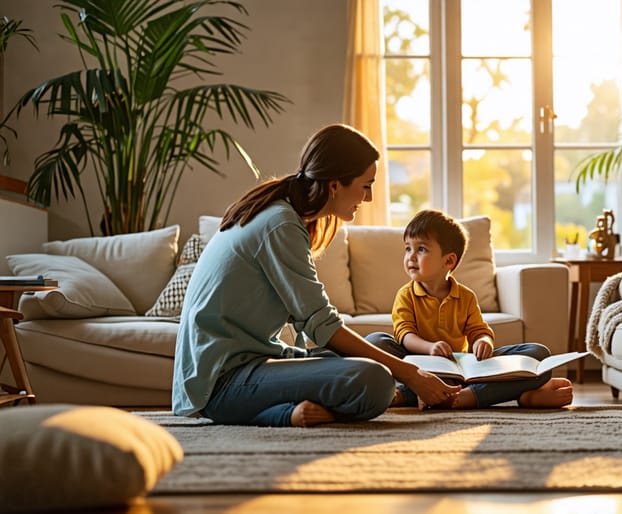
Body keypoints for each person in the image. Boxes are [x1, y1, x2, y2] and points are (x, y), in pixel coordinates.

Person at [172, 124, 460, 427]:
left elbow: (313, 327)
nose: (370, 197)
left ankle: (310, 403)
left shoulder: (284, 214)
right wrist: (410, 373)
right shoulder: (280, 224)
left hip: (255, 360)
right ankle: (285, 414)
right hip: (223, 382)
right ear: (335, 185)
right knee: (374, 378)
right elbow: (322, 326)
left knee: (382, 343)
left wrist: (400, 367)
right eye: (365, 185)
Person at [365, 209, 574, 409]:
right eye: (408, 248)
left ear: (448, 260)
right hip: (418, 367)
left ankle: (460, 396)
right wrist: (429, 348)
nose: (410, 256)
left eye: (421, 249)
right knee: (375, 342)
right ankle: (459, 394)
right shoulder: (406, 294)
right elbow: (404, 334)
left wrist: (483, 342)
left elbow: (478, 331)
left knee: (539, 355)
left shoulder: (465, 296)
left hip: (458, 368)